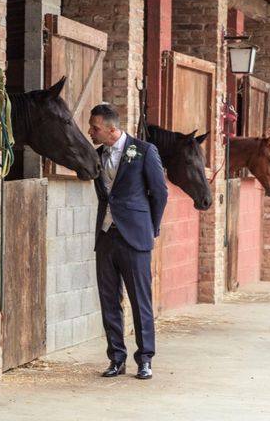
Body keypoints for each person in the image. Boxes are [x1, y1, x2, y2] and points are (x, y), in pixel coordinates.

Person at [88, 103, 168, 380]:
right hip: (106, 235)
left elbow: (160, 193)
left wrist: (150, 227)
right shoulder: (97, 155)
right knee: (109, 299)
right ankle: (116, 358)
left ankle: (145, 359)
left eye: (94, 127)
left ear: (112, 129)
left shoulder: (144, 152)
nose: (90, 131)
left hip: (135, 236)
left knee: (140, 300)